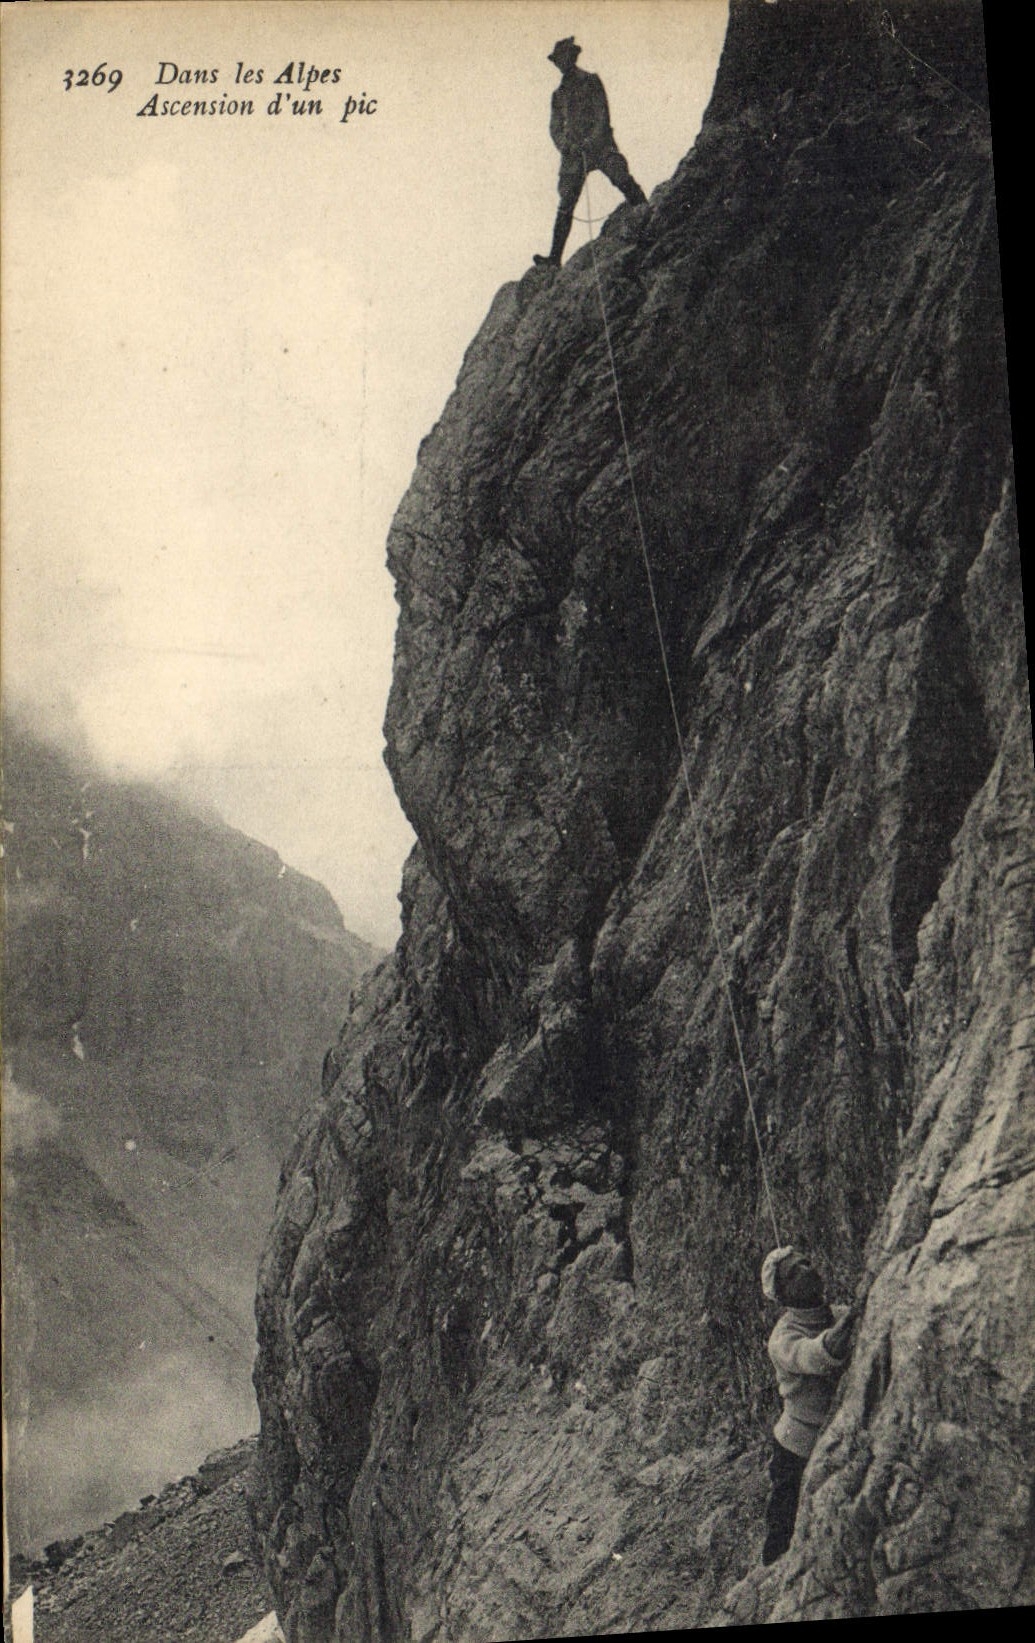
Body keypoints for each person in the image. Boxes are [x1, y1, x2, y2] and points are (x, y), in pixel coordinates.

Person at [759, 1246, 858, 1565]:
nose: (807, 1269)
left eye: (806, 1261)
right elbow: (818, 1355)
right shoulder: (783, 1338)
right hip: (797, 1449)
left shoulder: (838, 1314)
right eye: (793, 1272)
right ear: (783, 1294)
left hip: (834, 1438)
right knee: (783, 1531)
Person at [533, 37, 647, 270]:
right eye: (558, 61)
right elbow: (555, 128)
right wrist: (567, 145)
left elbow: (602, 115)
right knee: (566, 203)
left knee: (621, 177)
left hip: (601, 146)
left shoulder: (591, 81)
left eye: (564, 58)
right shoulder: (558, 95)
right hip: (574, 155)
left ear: (572, 58)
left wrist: (591, 141)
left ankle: (648, 214)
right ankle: (554, 258)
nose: (561, 64)